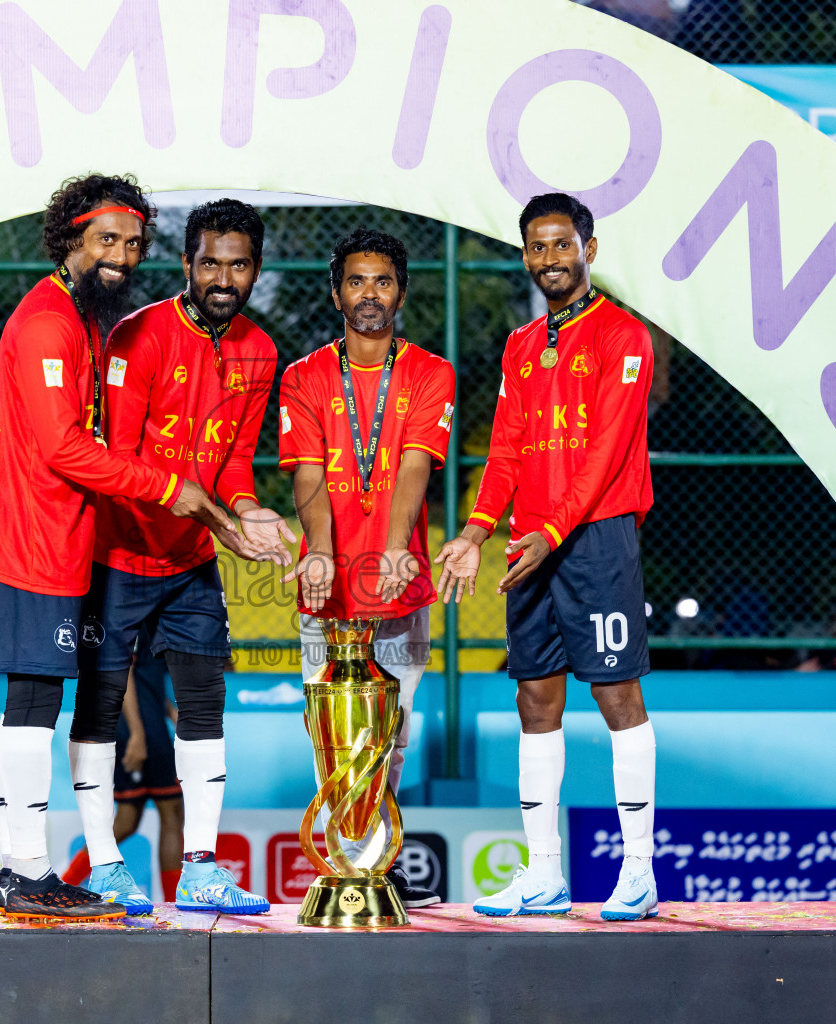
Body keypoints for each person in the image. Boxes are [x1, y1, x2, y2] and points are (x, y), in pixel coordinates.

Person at [0, 173, 249, 921]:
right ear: (69, 240)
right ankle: (22, 869)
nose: (121, 255)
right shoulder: (46, 324)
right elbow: (63, 446)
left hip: (59, 541)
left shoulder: (84, 319)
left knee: (40, 701)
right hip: (26, 541)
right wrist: (167, 488)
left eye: (131, 242)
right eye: (105, 240)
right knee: (30, 702)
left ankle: (24, 869)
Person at [436, 192, 659, 921]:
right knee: (536, 697)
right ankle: (543, 874)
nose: (550, 260)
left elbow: (606, 454)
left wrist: (552, 531)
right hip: (530, 543)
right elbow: (504, 449)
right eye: (537, 247)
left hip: (593, 538)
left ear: (588, 251)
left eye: (562, 245)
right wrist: (474, 531)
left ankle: (638, 874)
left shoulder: (624, 336)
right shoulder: (523, 345)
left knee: (616, 695)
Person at [70, 198, 287, 914]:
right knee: (99, 711)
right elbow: (121, 462)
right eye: (211, 263)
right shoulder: (138, 335)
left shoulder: (261, 350)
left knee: (203, 707)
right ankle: (103, 866)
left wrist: (251, 513)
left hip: (190, 564)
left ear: (255, 269)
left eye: (239, 264)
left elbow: (234, 467)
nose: (224, 277)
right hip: (118, 555)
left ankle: (201, 867)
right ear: (187, 263)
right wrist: (218, 519)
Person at [277, 228, 455, 910]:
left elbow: (413, 462)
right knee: (333, 734)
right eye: (356, 281)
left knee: (393, 735)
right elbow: (308, 472)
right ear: (336, 292)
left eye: (382, 281)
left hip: (397, 578)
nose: (370, 294)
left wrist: (394, 543)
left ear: (401, 292)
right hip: (326, 586)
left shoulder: (431, 372)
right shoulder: (303, 377)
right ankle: (351, 866)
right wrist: (319, 546)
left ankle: (374, 862)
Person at [60, 651, 186, 903]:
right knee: (171, 812)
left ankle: (65, 884)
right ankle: (175, 905)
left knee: (128, 820)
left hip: (142, 725)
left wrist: (170, 713)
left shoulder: (147, 619)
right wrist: (138, 734)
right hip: (142, 729)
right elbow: (123, 670)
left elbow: (145, 681)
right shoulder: (141, 615)